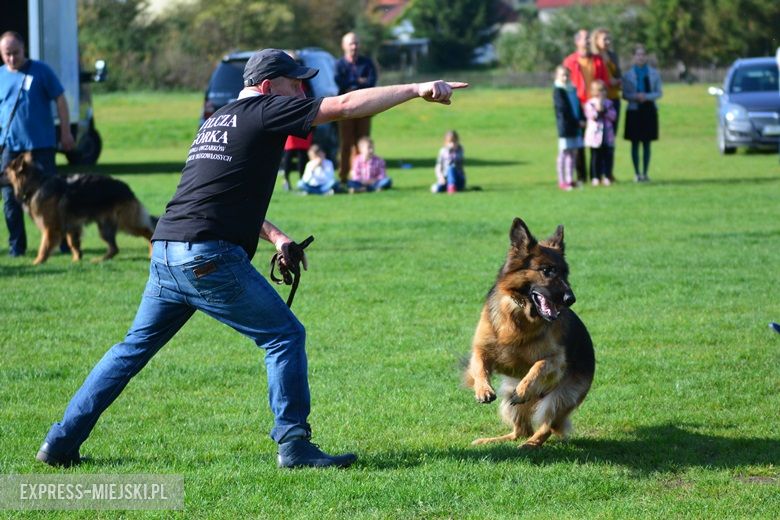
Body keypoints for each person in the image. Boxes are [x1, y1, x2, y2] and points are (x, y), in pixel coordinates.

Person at [35, 48, 467, 470]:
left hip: (166, 250)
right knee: (283, 336)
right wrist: (416, 88)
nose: (301, 94)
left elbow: (218, 195)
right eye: (295, 84)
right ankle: (294, 445)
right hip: (207, 256)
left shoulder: (214, 121)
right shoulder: (265, 110)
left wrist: (276, 236)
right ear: (265, 87)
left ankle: (59, 441)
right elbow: (347, 104)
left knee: (130, 350)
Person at [0, 31, 74, 257]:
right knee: (9, 199)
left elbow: (60, 100)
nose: (12, 59)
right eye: (7, 54)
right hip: (11, 148)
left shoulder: (42, 71)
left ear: (24, 50)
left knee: (52, 198)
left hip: (40, 146)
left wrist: (65, 131)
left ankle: (62, 243)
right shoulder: (1, 75)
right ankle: (17, 247)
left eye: (16, 53)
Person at [562, 29, 608, 185]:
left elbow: (604, 83)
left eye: (589, 38)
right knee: (579, 143)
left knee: (599, 142)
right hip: (579, 106)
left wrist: (600, 102)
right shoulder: (570, 61)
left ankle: (599, 175)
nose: (588, 41)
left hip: (596, 106)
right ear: (577, 42)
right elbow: (566, 84)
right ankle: (582, 176)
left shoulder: (598, 60)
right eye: (585, 39)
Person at [334, 32, 377, 184]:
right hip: (345, 110)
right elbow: (341, 83)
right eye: (351, 43)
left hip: (365, 108)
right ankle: (344, 177)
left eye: (356, 43)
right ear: (344, 46)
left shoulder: (367, 63)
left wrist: (352, 83)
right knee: (345, 144)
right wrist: (359, 81)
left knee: (363, 142)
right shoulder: (339, 65)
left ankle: (361, 176)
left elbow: (371, 82)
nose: (354, 46)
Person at [623, 44, 662, 182]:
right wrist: (635, 96)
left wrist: (646, 96)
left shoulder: (654, 74)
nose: (640, 57)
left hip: (649, 109)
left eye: (643, 54)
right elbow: (625, 94)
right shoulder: (627, 75)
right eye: (637, 54)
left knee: (647, 143)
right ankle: (636, 172)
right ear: (633, 57)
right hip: (634, 110)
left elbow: (659, 92)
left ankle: (645, 172)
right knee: (634, 143)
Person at [590, 28, 621, 182]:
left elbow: (618, 73)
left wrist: (618, 81)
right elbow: (596, 79)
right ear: (596, 41)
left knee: (610, 137)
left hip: (613, 99)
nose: (607, 42)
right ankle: (598, 173)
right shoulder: (594, 58)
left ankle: (608, 172)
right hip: (600, 100)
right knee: (597, 139)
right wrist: (608, 83)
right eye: (604, 39)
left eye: (609, 39)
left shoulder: (613, 56)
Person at [552, 66, 585, 191]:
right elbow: (563, 111)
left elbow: (578, 106)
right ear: (557, 76)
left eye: (567, 75)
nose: (565, 78)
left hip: (576, 126)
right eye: (562, 75)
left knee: (573, 153)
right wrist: (576, 122)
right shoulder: (558, 91)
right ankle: (562, 181)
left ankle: (570, 179)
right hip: (566, 127)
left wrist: (582, 119)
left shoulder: (572, 89)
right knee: (564, 153)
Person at [583, 80, 617, 186]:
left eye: (603, 90)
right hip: (595, 136)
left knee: (607, 157)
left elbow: (613, 116)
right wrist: (598, 109)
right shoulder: (590, 103)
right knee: (595, 157)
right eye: (598, 91)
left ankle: (607, 175)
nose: (601, 93)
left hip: (607, 135)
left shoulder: (609, 103)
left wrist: (604, 109)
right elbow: (591, 116)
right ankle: (595, 177)